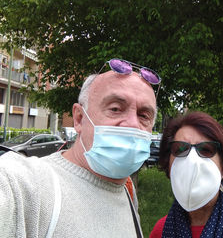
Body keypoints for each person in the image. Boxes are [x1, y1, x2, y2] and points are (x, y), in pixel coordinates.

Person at [0, 58, 161, 237]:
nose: (132, 123)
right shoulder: (24, 184)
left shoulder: (127, 191)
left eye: (144, 115)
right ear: (79, 118)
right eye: (115, 108)